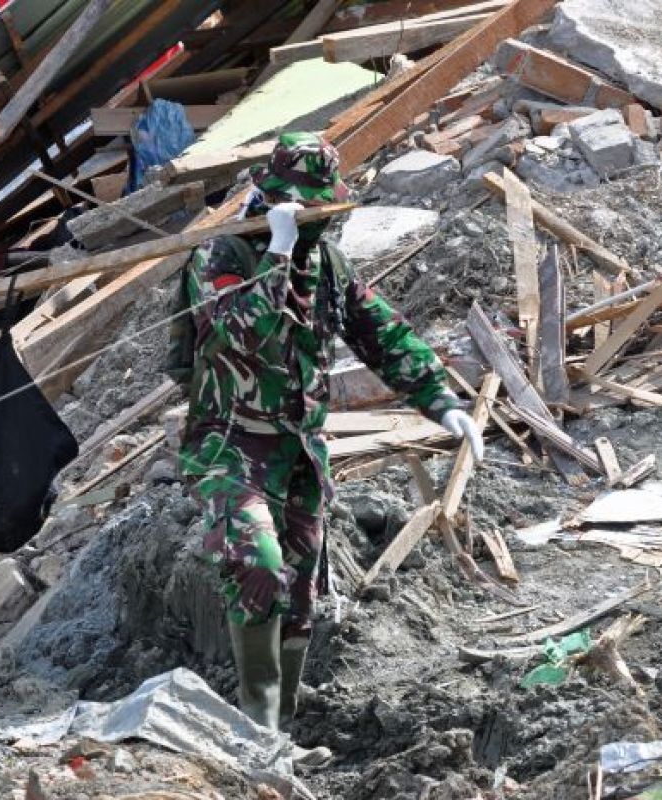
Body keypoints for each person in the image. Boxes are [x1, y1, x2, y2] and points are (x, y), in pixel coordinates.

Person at [178, 132, 483, 734]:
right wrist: (277, 254)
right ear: (270, 201)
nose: (315, 227)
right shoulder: (221, 259)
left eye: (323, 213)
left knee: (297, 591)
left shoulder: (328, 266)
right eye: (302, 212)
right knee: (256, 563)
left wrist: (441, 401)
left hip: (299, 451)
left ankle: (277, 734)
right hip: (230, 444)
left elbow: (383, 335)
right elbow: (241, 331)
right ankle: (256, 722)